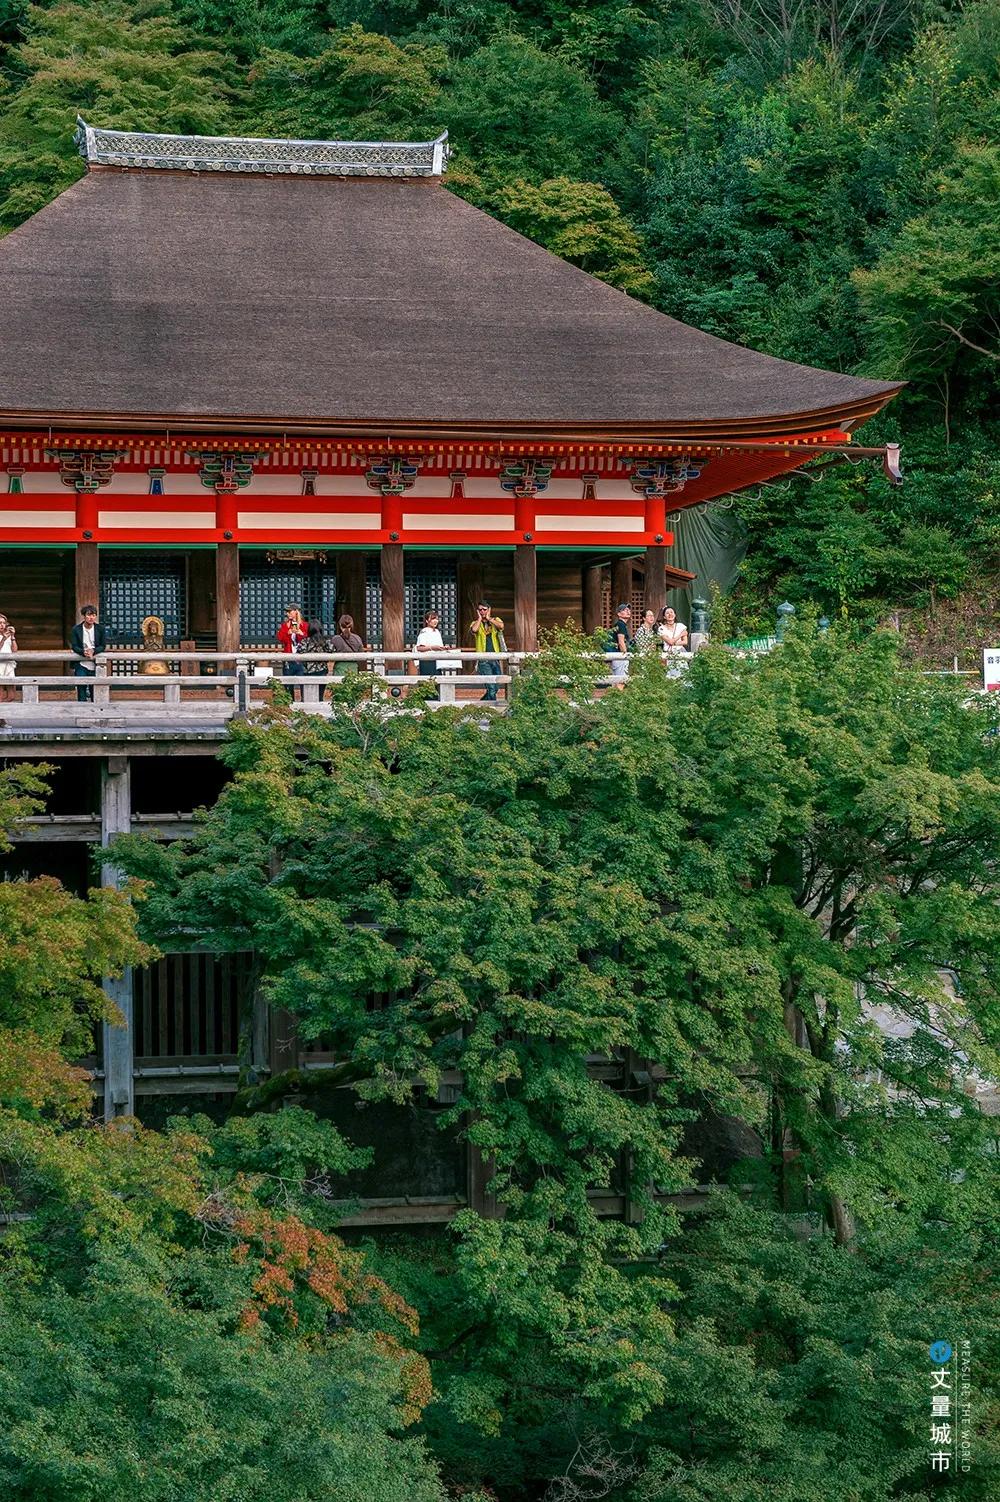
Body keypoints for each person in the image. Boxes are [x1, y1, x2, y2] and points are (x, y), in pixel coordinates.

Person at [70, 604, 107, 702]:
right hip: (81, 663)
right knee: (81, 688)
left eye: (94, 615)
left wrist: (93, 651)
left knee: (95, 690)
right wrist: (83, 652)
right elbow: (74, 646)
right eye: (89, 615)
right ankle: (81, 713)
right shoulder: (76, 629)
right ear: (84, 616)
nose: (91, 618)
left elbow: (103, 646)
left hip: (96, 663)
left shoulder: (100, 629)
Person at [468, 602, 505, 702]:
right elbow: (474, 629)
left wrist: (489, 619)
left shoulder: (495, 620)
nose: (482, 611)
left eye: (484, 609)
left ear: (489, 609)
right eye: (480, 610)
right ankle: (491, 709)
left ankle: (481, 705)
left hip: (495, 658)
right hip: (483, 659)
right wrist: (480, 618)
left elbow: (501, 626)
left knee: (496, 686)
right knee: (491, 687)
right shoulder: (475, 623)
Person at [276, 603, 309, 695]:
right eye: (287, 612)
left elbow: (308, 640)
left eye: (290, 611)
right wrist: (288, 632)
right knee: (288, 683)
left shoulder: (305, 625)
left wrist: (301, 634)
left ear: (296, 612)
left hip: (301, 659)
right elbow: (280, 638)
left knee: (303, 682)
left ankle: (304, 701)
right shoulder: (285, 625)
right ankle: (289, 703)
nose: (288, 614)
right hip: (289, 658)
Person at [414, 610, 453, 679]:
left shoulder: (437, 632)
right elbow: (419, 648)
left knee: (437, 681)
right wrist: (432, 648)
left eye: (437, 619)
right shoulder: (424, 631)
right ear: (427, 621)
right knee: (428, 681)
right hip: (427, 660)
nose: (435, 621)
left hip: (437, 660)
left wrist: (444, 648)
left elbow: (439, 646)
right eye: (433, 619)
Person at [328, 614, 366, 678]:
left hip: (340, 667)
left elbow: (330, 654)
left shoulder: (335, 639)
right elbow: (361, 654)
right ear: (352, 625)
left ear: (340, 626)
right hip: (353, 667)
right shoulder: (357, 638)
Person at [606, 603, 632, 683]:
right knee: (621, 681)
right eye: (625, 610)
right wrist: (625, 656)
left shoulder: (620, 624)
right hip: (620, 656)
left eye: (628, 610)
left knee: (616, 681)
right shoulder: (621, 625)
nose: (628, 611)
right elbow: (621, 642)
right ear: (619, 614)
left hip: (616, 656)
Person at [0, 614, 16, 703]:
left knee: (11, 696)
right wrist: (3, 639)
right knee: (0, 695)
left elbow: (14, 650)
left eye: (3, 623)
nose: (2, 625)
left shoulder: (8, 635)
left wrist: (13, 637)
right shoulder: (5, 637)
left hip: (9, 664)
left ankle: (4, 712)